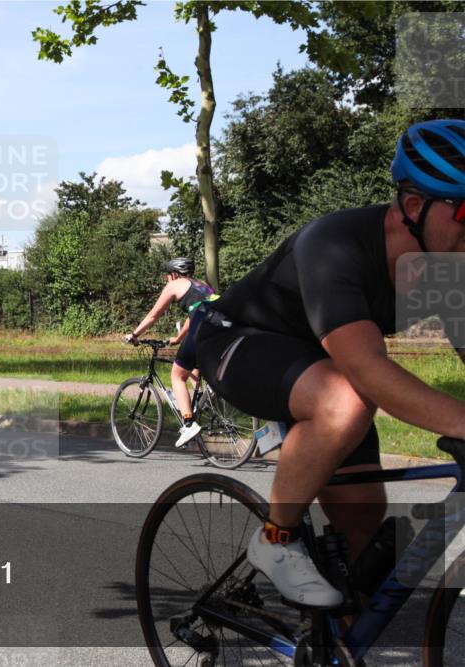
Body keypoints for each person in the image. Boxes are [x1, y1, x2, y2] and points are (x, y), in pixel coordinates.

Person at [194, 118, 465, 607]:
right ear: (413, 207)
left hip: (320, 362)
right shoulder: (335, 245)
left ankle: (338, 641)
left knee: (363, 526)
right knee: (345, 401)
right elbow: (367, 370)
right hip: (237, 339)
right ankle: (277, 539)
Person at [124, 258, 218, 448]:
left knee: (177, 375)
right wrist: (178, 338)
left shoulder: (174, 285)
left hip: (203, 326)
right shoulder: (202, 286)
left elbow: (153, 315)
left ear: (173, 274)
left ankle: (189, 424)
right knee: (194, 370)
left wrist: (134, 335)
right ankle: (203, 405)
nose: (167, 280)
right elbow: (195, 314)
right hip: (221, 325)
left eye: (167, 276)